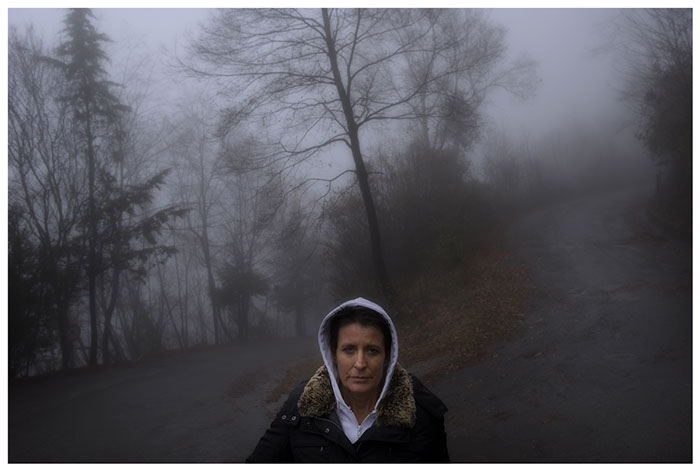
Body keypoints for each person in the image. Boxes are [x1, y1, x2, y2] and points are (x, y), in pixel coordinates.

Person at [247, 297, 449, 462]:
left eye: (372, 350)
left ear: (387, 356)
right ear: (333, 354)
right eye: (349, 349)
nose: (360, 363)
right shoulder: (301, 407)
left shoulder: (421, 415)